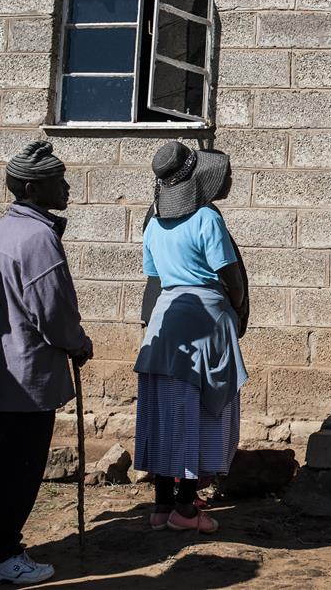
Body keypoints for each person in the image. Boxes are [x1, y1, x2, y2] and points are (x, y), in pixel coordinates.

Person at [0, 141, 93, 585]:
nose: (66, 188)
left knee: (5, 461)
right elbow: (54, 312)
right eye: (57, 182)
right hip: (28, 373)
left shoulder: (5, 229)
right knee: (20, 469)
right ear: (30, 187)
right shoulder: (38, 237)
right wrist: (78, 344)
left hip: (7, 369)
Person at [132, 141, 248, 534]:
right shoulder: (206, 220)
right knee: (197, 415)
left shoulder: (152, 223)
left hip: (164, 324)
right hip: (203, 322)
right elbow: (230, 275)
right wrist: (234, 304)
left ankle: (162, 506)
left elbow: (156, 278)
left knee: (166, 414)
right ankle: (186, 510)